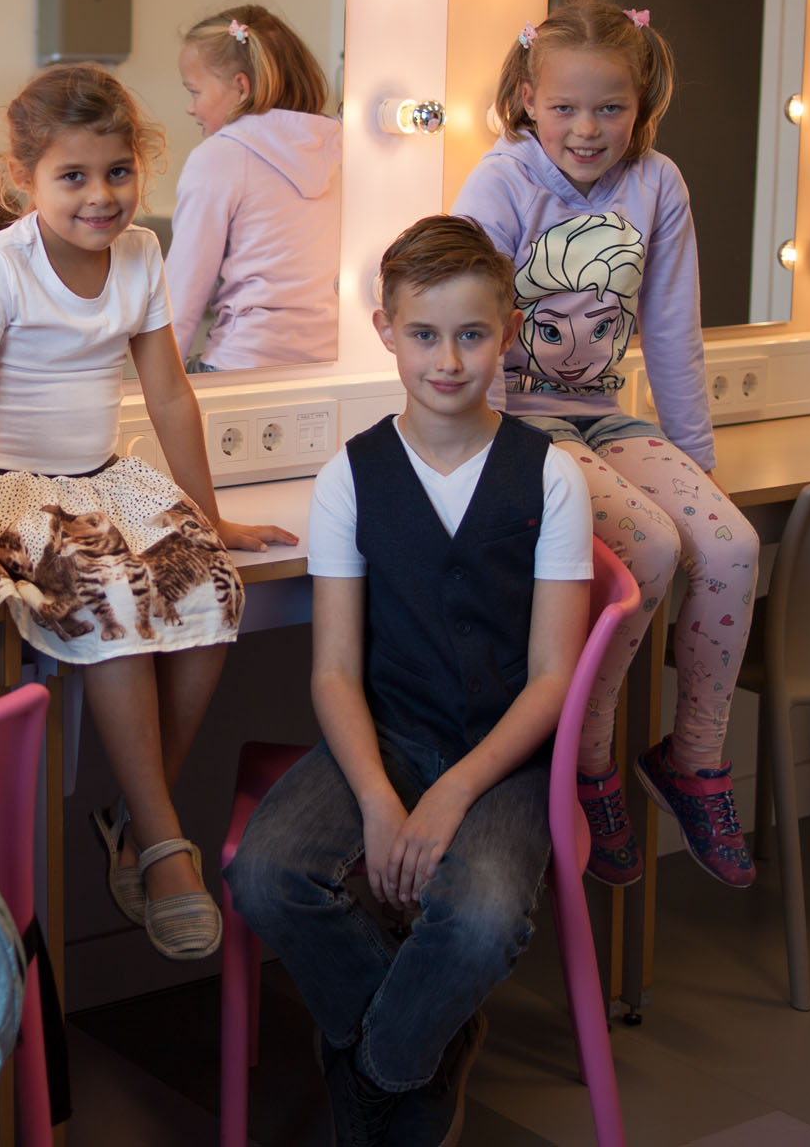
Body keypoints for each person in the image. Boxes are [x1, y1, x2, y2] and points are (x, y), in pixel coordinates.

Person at [223, 215, 592, 1145]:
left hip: (503, 757)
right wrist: (383, 801)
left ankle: (378, 1072)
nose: (449, 360)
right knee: (267, 877)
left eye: (472, 334)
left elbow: (552, 677)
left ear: (508, 330)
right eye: (424, 334)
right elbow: (336, 671)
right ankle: (428, 1044)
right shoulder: (351, 476)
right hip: (384, 734)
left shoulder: (552, 478)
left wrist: (455, 791)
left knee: (479, 921)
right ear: (386, 330)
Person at [0, 63, 297, 961]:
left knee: (210, 590)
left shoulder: (139, 256)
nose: (102, 197)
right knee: (118, 596)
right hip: (10, 490)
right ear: (24, 181)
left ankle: (137, 818)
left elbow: (170, 395)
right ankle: (165, 844)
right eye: (73, 177)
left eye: (119, 172)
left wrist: (209, 519)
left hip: (102, 481)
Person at [450, 0, 760, 889]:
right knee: (652, 545)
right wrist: (490, 449)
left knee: (731, 542)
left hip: (607, 416)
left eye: (610, 108)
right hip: (519, 418)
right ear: (526, 99)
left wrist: (693, 462)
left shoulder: (657, 183)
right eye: (565, 107)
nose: (587, 129)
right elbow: (469, 316)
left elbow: (671, 328)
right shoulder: (502, 180)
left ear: (643, 104)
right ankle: (589, 761)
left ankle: (693, 759)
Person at [166, 4, 343, 370]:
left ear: (241, 88)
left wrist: (156, 394)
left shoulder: (218, 157)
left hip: (244, 362)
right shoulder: (341, 147)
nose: (189, 107)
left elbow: (181, 298)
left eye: (194, 91)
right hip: (330, 362)